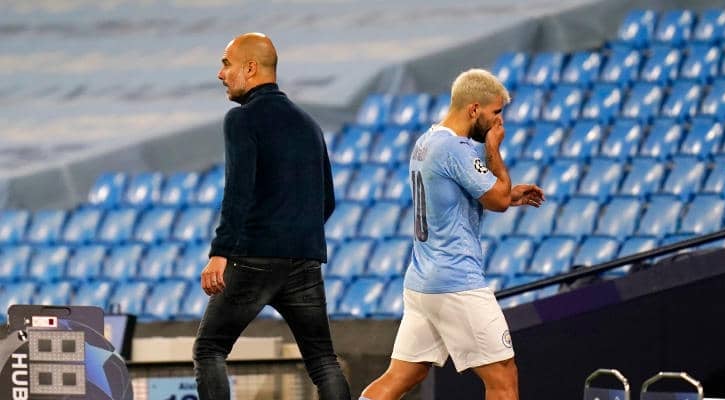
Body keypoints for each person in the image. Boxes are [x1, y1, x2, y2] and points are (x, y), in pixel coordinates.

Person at [360, 69, 545, 400]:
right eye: (495, 112)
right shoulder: (456, 149)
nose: (499, 122)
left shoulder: (427, 142)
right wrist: (494, 149)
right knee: (503, 378)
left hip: (422, 283)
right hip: (456, 281)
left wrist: (511, 194)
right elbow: (498, 200)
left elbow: (456, 197)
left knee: (402, 375)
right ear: (474, 109)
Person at [192, 32, 351, 400]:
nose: (220, 74)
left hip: (254, 259)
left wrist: (220, 252)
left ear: (250, 68)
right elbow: (327, 200)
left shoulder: (242, 120)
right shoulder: (309, 124)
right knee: (322, 360)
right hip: (305, 260)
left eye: (226, 64)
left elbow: (238, 191)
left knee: (210, 349)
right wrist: (295, 237)